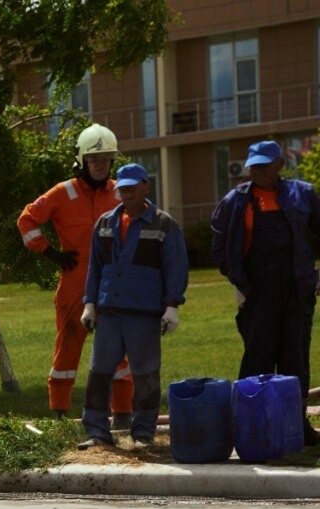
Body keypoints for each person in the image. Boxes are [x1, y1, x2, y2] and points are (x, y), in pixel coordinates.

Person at [18, 123, 134, 426]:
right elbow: (26, 221)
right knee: (68, 348)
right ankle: (59, 414)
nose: (100, 166)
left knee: (119, 354)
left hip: (113, 287)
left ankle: (123, 414)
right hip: (74, 285)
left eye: (106, 160)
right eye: (95, 160)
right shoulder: (62, 192)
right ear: (82, 161)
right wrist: (51, 253)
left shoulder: (121, 192)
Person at [210, 139, 320, 446]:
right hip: (257, 294)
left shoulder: (303, 194)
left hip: (298, 291)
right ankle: (251, 426)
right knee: (257, 360)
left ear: (280, 165)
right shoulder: (235, 200)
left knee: (294, 361)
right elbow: (219, 245)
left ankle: (296, 426)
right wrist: (236, 282)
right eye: (253, 166)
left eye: (264, 165)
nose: (257, 171)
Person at [78, 164, 188, 450]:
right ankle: (97, 431)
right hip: (109, 313)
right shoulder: (104, 223)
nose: (126, 193)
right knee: (99, 373)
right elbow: (95, 267)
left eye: (132, 187)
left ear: (145, 187)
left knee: (145, 375)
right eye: (122, 188)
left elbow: (176, 268)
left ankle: (143, 434)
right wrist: (89, 303)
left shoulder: (163, 224)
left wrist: (172, 305)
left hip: (144, 313)